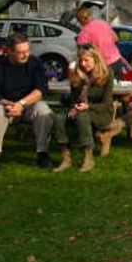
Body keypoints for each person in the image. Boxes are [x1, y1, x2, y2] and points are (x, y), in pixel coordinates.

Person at [52, 45, 114, 173]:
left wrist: (88, 106)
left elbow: (107, 103)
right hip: (79, 109)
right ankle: (65, 156)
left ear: (95, 59)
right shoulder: (78, 74)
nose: (83, 63)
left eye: (87, 60)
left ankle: (88, 156)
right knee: (60, 117)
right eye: (81, 60)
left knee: (82, 116)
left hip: (99, 112)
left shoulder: (106, 73)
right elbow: (73, 99)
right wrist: (80, 84)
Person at [0, 33, 54, 170]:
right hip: (6, 105)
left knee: (43, 111)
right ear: (9, 51)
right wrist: (9, 104)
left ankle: (42, 153)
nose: (25, 55)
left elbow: (40, 90)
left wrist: (21, 104)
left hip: (28, 103)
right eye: (20, 52)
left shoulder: (35, 63)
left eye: (27, 51)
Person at [75, 6, 124, 77]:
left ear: (81, 20)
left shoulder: (83, 33)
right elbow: (116, 39)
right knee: (118, 87)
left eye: (78, 21)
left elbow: (82, 54)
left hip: (102, 66)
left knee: (101, 87)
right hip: (116, 61)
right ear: (90, 15)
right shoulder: (104, 24)